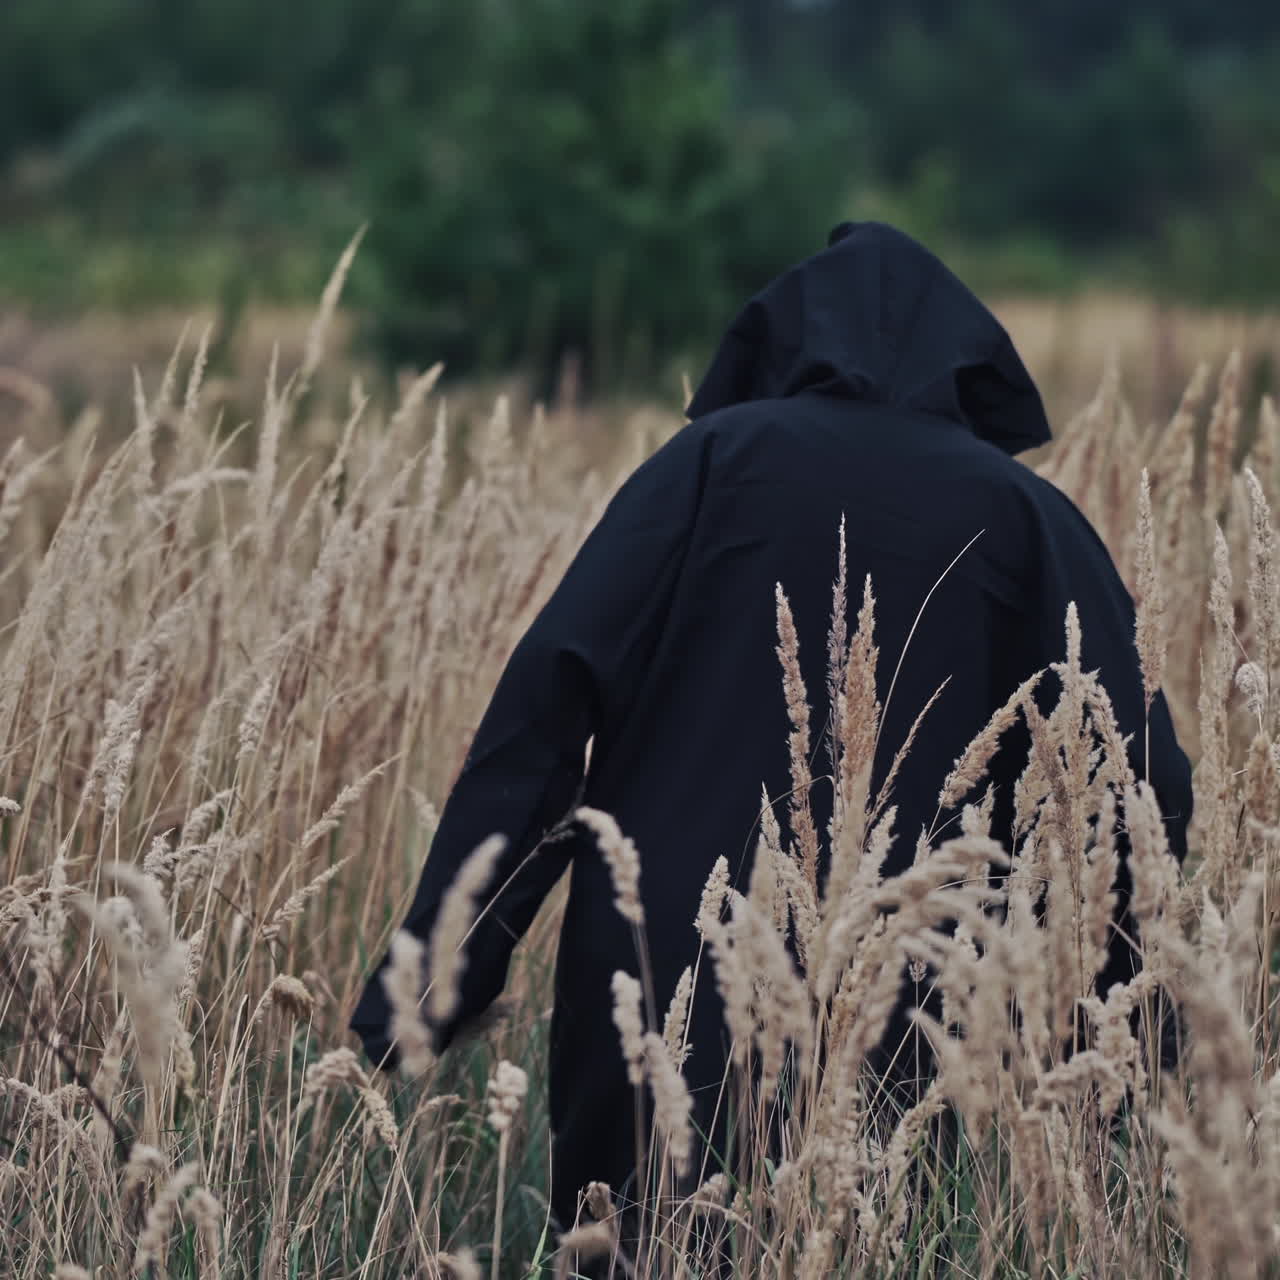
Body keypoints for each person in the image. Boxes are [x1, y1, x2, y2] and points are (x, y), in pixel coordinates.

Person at [349, 221, 1193, 1232]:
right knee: (868, 1242)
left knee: (642, 1241)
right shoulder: (1025, 516)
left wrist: (429, 986)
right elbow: (1138, 789)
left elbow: (539, 720)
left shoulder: (703, 466)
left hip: (661, 978)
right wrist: (1124, 1045)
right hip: (913, 1004)